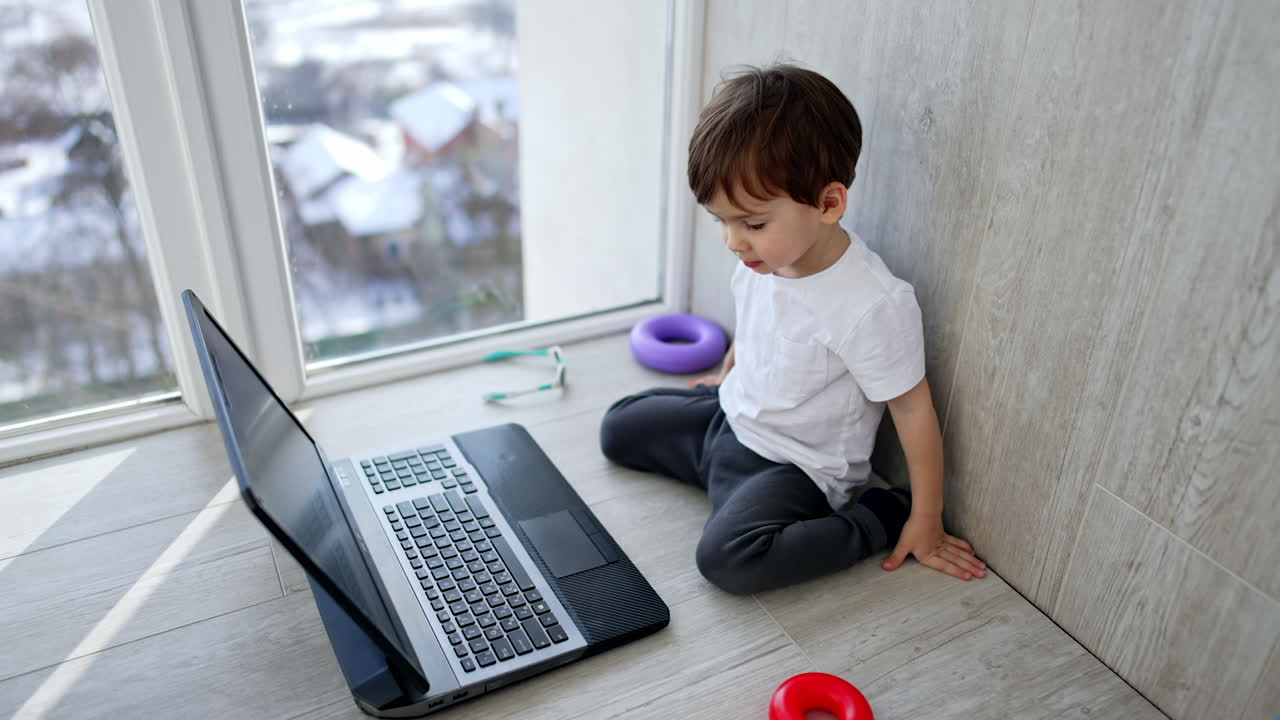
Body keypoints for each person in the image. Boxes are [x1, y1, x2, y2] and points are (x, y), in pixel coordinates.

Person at [599, 64, 986, 594]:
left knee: (727, 560)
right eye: (722, 221)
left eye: (751, 223)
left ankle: (881, 516)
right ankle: (718, 469)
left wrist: (926, 516)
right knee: (618, 427)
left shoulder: (871, 304)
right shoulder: (764, 257)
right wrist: (726, 374)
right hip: (730, 419)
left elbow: (914, 409)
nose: (734, 242)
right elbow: (758, 326)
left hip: (794, 465)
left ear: (828, 204)